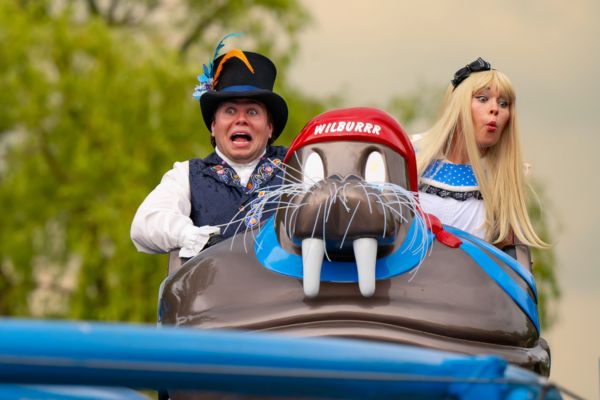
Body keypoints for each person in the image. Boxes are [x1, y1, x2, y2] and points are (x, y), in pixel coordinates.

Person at [131, 37, 288, 258]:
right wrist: (194, 236)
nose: (241, 119)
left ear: (269, 127)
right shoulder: (186, 175)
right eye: (230, 111)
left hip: (286, 290)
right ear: (214, 126)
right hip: (213, 290)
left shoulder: (298, 165)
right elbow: (145, 223)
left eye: (252, 111)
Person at [416, 57, 548, 249]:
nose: (495, 109)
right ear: (458, 106)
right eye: (483, 99)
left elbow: (507, 261)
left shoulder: (507, 176)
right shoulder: (411, 155)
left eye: (504, 103)